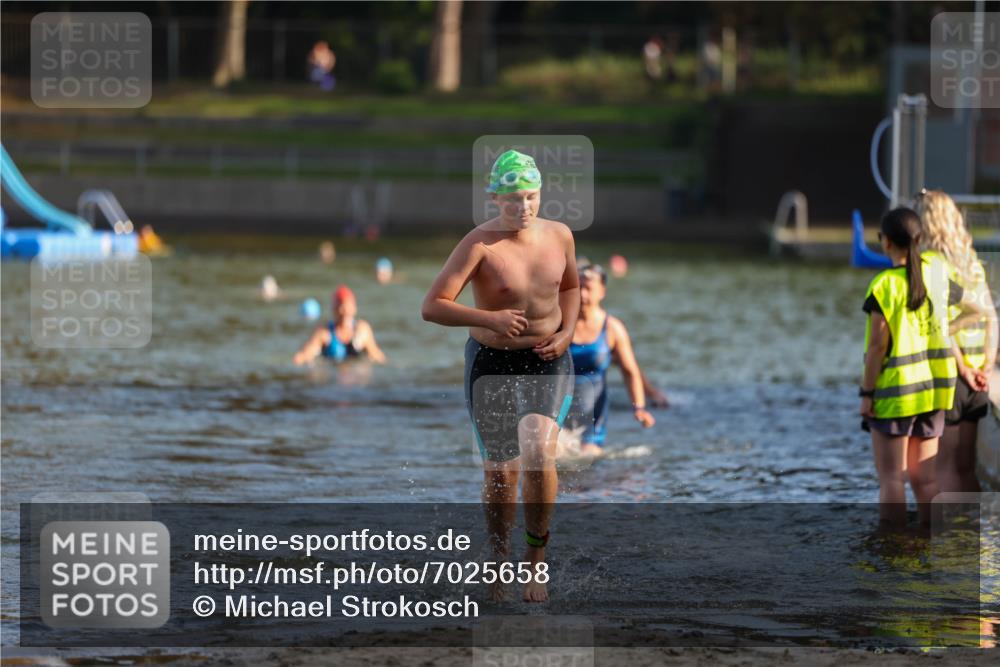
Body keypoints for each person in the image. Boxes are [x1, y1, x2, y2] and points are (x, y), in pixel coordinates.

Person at [421, 149, 579, 602]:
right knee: (499, 473)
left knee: (537, 449)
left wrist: (568, 331)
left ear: (540, 194)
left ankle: (535, 563)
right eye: (513, 200)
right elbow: (432, 306)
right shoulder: (479, 244)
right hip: (491, 364)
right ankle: (497, 560)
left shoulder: (561, 235)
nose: (523, 207)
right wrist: (489, 320)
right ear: (494, 198)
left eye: (530, 197)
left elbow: (569, 287)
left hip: (548, 358)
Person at [859, 207, 963, 529]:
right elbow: (960, 311)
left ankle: (894, 554)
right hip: (933, 393)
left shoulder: (885, 286)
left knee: (892, 479)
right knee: (926, 480)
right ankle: (931, 543)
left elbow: (877, 347)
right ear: (918, 240)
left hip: (895, 393)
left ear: (886, 242)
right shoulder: (937, 273)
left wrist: (867, 394)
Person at [916, 189, 997, 493]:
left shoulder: (933, 264)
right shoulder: (970, 260)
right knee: (966, 467)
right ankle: (973, 536)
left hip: (953, 374)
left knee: (945, 467)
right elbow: (990, 316)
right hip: (978, 379)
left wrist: (963, 368)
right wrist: (986, 367)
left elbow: (940, 325)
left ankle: (952, 539)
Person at [562, 263, 658, 458]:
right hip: (558, 409)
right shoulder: (558, 323)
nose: (583, 294)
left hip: (593, 417)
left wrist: (639, 407)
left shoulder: (613, 329)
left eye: (588, 288)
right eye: (578, 287)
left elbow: (630, 371)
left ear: (602, 291)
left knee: (587, 461)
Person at [294, 285, 386, 365]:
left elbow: (379, 358)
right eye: (341, 308)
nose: (345, 311)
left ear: (354, 309)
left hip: (357, 379)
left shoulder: (362, 330)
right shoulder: (324, 333)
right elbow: (304, 355)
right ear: (334, 310)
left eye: (348, 307)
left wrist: (365, 348)